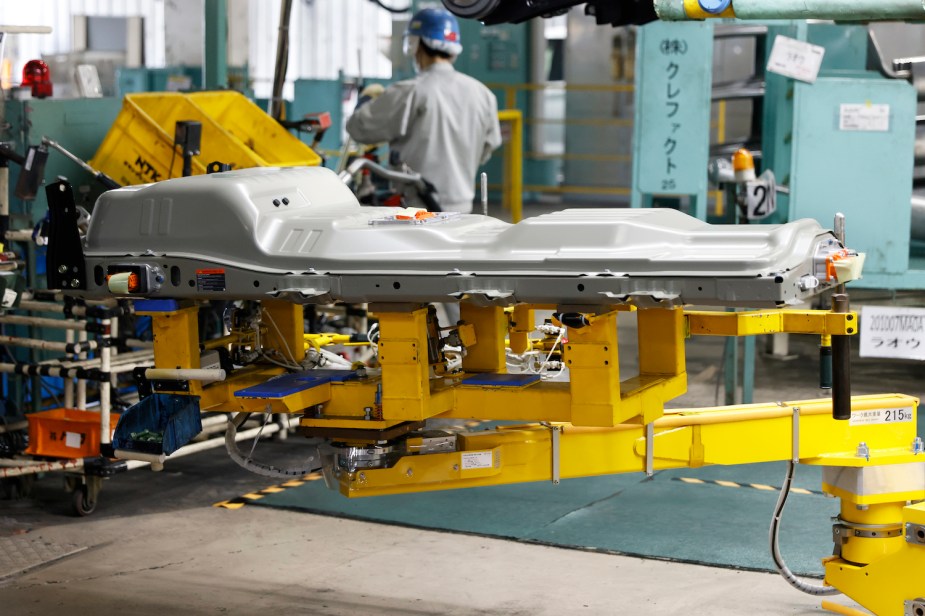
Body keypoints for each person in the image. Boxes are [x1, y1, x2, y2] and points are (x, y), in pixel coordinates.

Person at [346, 7, 502, 214]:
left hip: (414, 211)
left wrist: (365, 99)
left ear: (415, 43)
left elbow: (359, 128)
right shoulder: (483, 95)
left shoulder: (410, 91)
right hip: (462, 211)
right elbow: (489, 146)